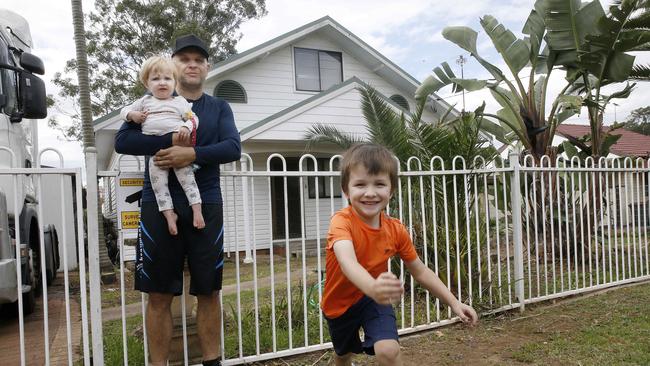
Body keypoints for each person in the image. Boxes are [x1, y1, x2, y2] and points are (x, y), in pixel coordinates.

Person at [114, 34, 240, 366]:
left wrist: (191, 153)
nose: (192, 64)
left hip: (205, 203)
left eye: (199, 59)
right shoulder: (150, 101)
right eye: (185, 59)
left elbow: (233, 147)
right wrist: (171, 141)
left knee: (209, 290)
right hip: (158, 204)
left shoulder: (218, 107)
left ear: (208, 67)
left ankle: (212, 361)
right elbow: (123, 141)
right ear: (173, 65)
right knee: (158, 294)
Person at [321, 143, 478, 366]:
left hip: (374, 298)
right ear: (346, 190)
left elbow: (420, 271)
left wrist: (454, 302)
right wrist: (373, 286)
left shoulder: (396, 230)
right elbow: (348, 263)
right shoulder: (341, 222)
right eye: (360, 184)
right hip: (339, 304)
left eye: (379, 184)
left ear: (391, 191)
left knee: (388, 349)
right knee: (344, 354)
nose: (370, 192)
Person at [120, 55, 204, 236]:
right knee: (159, 186)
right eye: (155, 79)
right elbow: (124, 110)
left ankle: (197, 211)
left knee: (189, 181)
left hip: (179, 151)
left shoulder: (179, 102)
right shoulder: (144, 101)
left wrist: (185, 127)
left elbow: (193, 119)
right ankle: (169, 215)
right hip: (156, 155)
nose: (162, 83)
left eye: (167, 78)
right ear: (146, 83)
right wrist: (132, 115)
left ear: (174, 81)